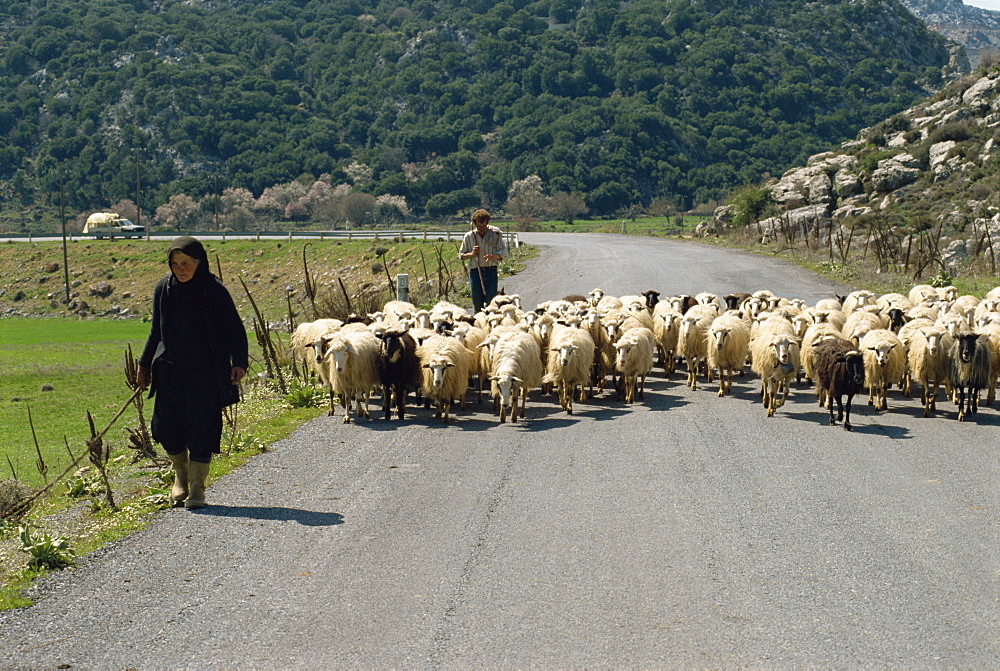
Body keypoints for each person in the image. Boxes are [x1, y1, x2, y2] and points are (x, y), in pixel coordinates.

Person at [136, 237, 248, 509]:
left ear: (199, 262)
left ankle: (197, 487)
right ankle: (180, 477)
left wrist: (239, 362)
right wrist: (143, 363)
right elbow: (156, 332)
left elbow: (234, 329)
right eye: (175, 264)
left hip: (206, 373)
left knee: (202, 429)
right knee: (165, 427)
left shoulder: (214, 290)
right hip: (170, 372)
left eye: (186, 263)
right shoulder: (164, 288)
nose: (180, 269)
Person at [459, 209, 507, 312]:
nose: (481, 229)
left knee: (491, 302)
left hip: (491, 270)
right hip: (475, 271)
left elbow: (505, 252)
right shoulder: (469, 236)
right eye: (479, 227)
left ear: (487, 223)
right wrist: (472, 253)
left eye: (484, 226)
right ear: (474, 224)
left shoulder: (495, 234)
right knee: (477, 303)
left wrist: (494, 256)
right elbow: (462, 256)